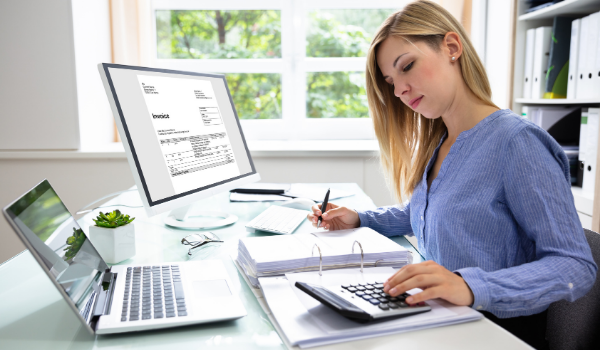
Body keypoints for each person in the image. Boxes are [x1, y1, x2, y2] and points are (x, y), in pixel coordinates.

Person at [307, 1, 597, 349]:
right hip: (440, 321)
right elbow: (433, 209)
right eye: (390, 81)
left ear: (451, 48)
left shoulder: (517, 143)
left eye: (407, 67)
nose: (399, 90)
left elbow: (575, 265)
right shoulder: (441, 141)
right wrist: (360, 218)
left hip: (491, 333)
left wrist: (472, 286)